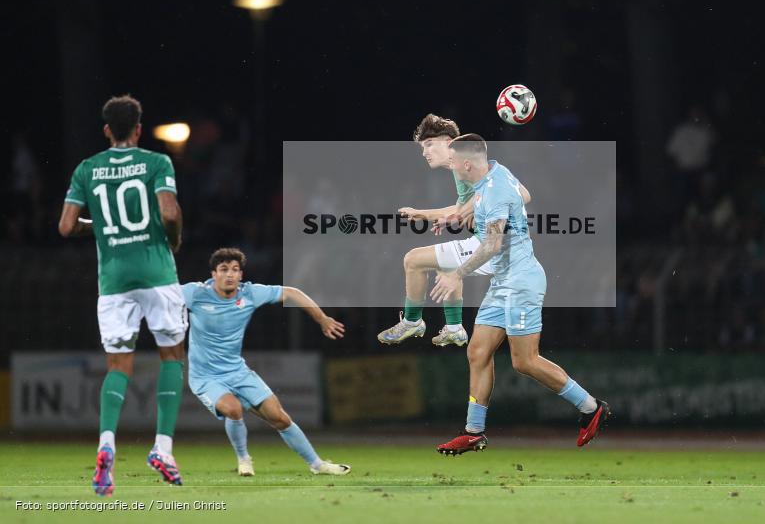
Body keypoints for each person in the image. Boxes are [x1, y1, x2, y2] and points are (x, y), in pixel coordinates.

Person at [430, 134, 609, 455]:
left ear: (467, 164)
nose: (451, 166)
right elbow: (525, 194)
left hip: (521, 281)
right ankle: (473, 431)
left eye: (453, 161)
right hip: (503, 282)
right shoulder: (497, 173)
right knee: (477, 351)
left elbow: (492, 244)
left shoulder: (495, 190)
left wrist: (456, 273)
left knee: (524, 361)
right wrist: (458, 214)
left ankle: (590, 406)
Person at [58, 94, 187, 495]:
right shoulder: (156, 162)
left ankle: (106, 443)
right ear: (138, 128)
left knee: (118, 365)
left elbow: (65, 226)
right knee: (172, 354)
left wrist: (98, 227)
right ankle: (162, 448)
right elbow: (168, 212)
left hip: (113, 279)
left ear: (106, 130)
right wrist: (175, 240)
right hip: (156, 271)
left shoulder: (87, 169)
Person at [183, 247, 350, 476]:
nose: (230, 274)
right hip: (205, 377)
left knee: (279, 418)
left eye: (235, 270)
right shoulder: (195, 293)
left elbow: (292, 293)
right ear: (214, 274)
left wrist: (321, 318)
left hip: (237, 371)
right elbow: (158, 296)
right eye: (224, 269)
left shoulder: (249, 294)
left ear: (241, 275)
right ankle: (244, 460)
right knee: (233, 409)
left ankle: (317, 465)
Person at [380, 114, 531, 347]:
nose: (424, 152)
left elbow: (521, 195)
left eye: (429, 144)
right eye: (422, 147)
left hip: (496, 248)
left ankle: (413, 322)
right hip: (493, 246)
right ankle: (454, 328)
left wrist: (460, 214)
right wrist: (425, 214)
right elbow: (463, 208)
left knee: (413, 260)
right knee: (445, 263)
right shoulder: (462, 168)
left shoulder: (471, 163)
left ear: (448, 141)